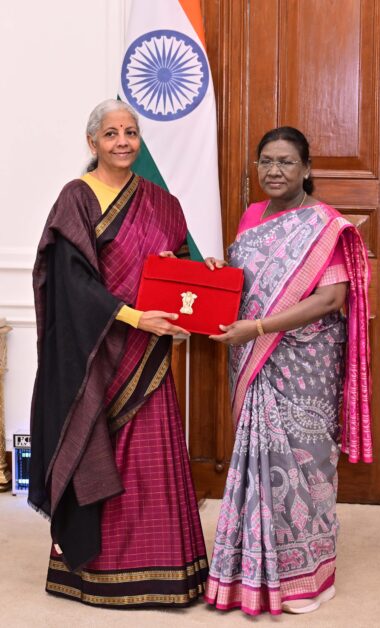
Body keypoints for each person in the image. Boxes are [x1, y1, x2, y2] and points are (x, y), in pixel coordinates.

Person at [29, 99, 208, 608]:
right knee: (96, 449)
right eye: (111, 134)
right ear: (93, 142)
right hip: (96, 354)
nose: (123, 142)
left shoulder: (161, 202)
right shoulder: (77, 198)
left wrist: (198, 273)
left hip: (147, 356)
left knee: (152, 461)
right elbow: (71, 284)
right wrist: (133, 317)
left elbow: (178, 266)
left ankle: (166, 571)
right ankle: (97, 573)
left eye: (130, 132)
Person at [204, 127, 372, 616]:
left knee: (305, 463)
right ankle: (251, 572)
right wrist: (215, 271)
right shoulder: (252, 216)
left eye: (286, 161)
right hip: (253, 355)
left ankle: (309, 577)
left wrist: (258, 328)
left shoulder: (325, 225)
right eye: (266, 161)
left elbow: (330, 299)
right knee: (258, 462)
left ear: (306, 168)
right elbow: (247, 284)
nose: (274, 171)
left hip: (305, 362)